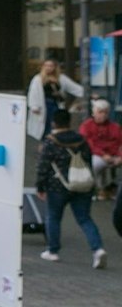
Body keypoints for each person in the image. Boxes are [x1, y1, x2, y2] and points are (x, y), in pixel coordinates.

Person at [37, 119, 106, 267]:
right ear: (69, 123)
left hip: (57, 186)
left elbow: (43, 166)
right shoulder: (82, 140)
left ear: (54, 124)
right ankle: (98, 249)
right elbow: (88, 159)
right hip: (82, 186)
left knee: (54, 217)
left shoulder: (50, 142)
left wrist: (40, 186)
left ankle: (53, 251)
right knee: (84, 218)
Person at [77, 98, 120, 199]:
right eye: (100, 112)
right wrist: (103, 155)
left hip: (115, 155)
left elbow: (120, 143)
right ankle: (100, 188)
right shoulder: (86, 126)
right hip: (97, 155)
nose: (103, 115)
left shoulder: (115, 127)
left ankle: (112, 186)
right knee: (96, 163)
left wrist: (120, 156)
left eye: (105, 112)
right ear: (94, 113)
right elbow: (88, 144)